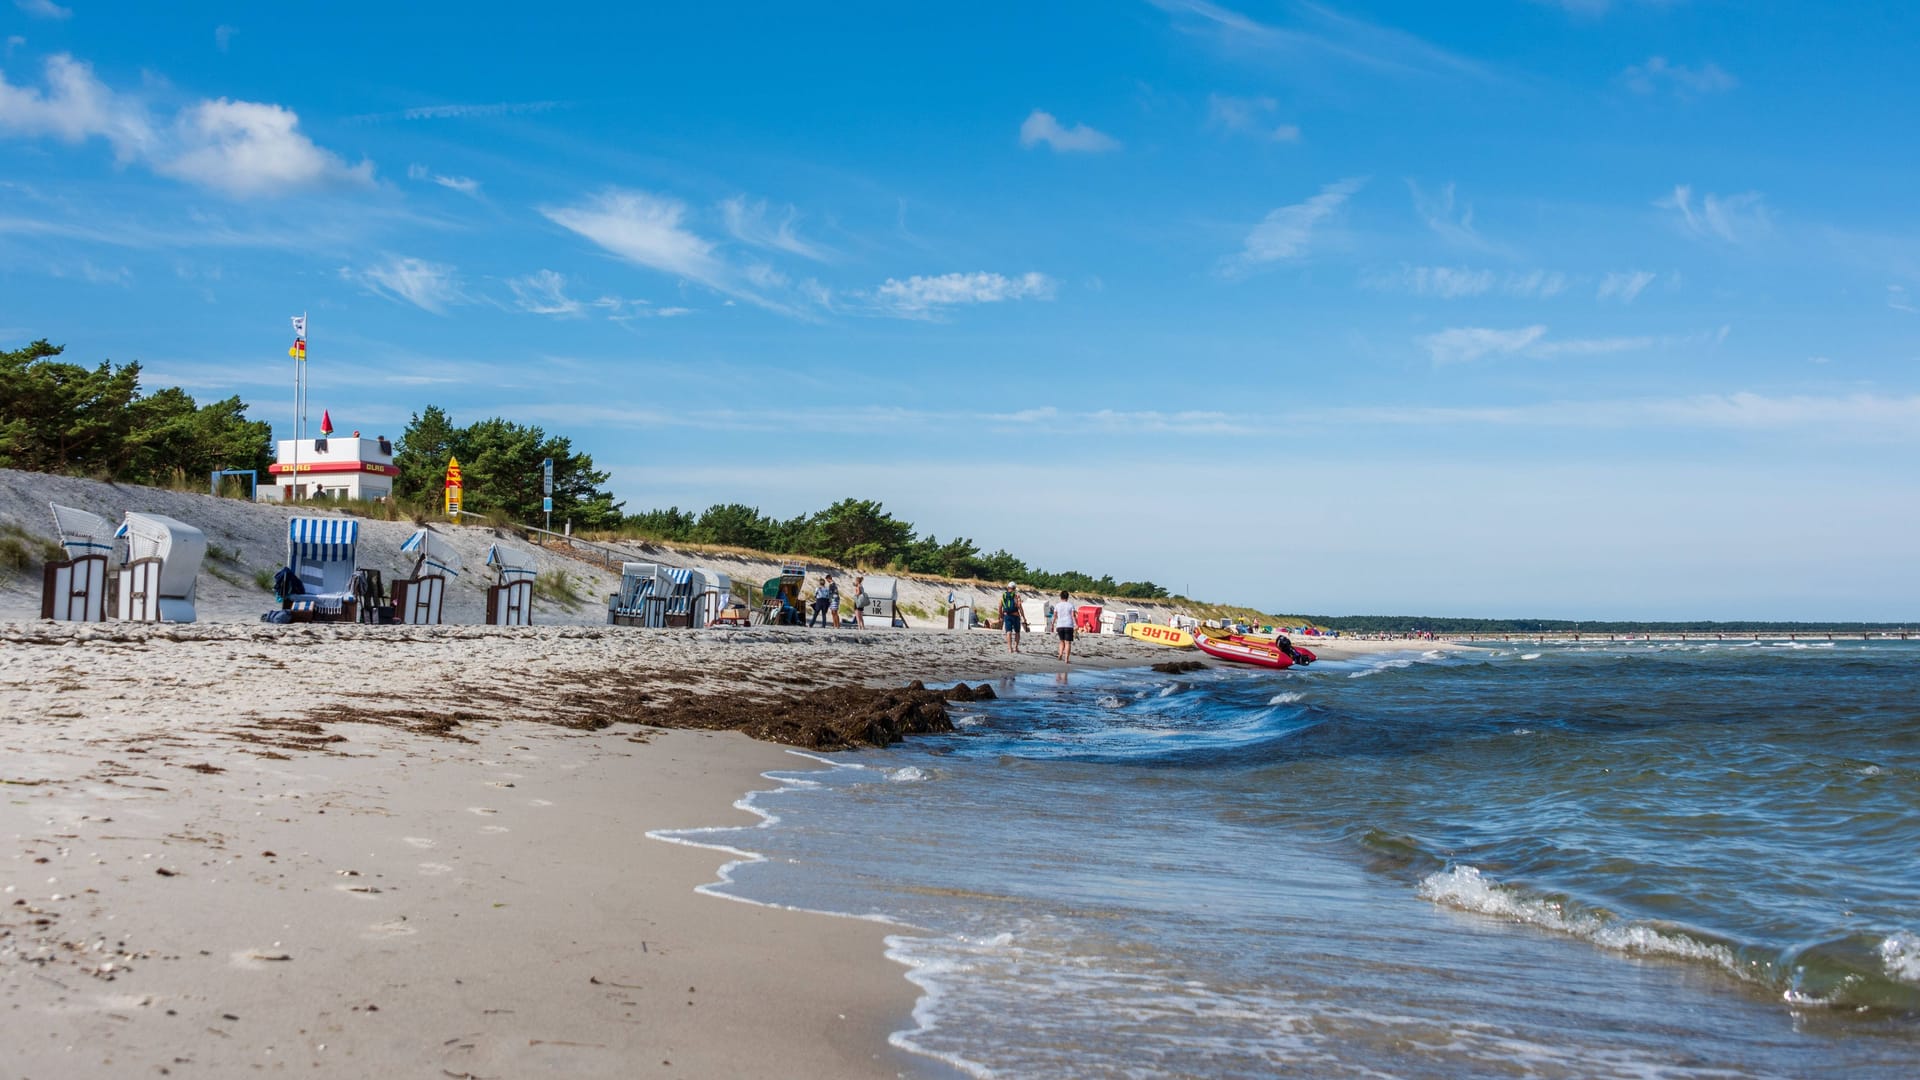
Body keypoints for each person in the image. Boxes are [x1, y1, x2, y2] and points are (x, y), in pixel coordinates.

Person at [1054, 589, 1078, 662]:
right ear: (1067, 597)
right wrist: (1076, 624)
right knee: (1068, 642)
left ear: (1060, 597)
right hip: (1069, 625)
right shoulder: (1071, 605)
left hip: (1060, 625)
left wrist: (1052, 624)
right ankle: (1066, 659)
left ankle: (1060, 654)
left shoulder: (1057, 605)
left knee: (1061, 641)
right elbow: (1073, 616)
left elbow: (1055, 616)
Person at [999, 583, 1022, 653]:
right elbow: (1019, 606)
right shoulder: (1016, 596)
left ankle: (1009, 648)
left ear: (1008, 587)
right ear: (1014, 588)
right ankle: (1016, 647)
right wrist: (1023, 616)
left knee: (1008, 631)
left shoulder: (1003, 595)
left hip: (1007, 615)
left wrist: (1001, 616)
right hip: (1016, 615)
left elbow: (1000, 606)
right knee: (1017, 632)